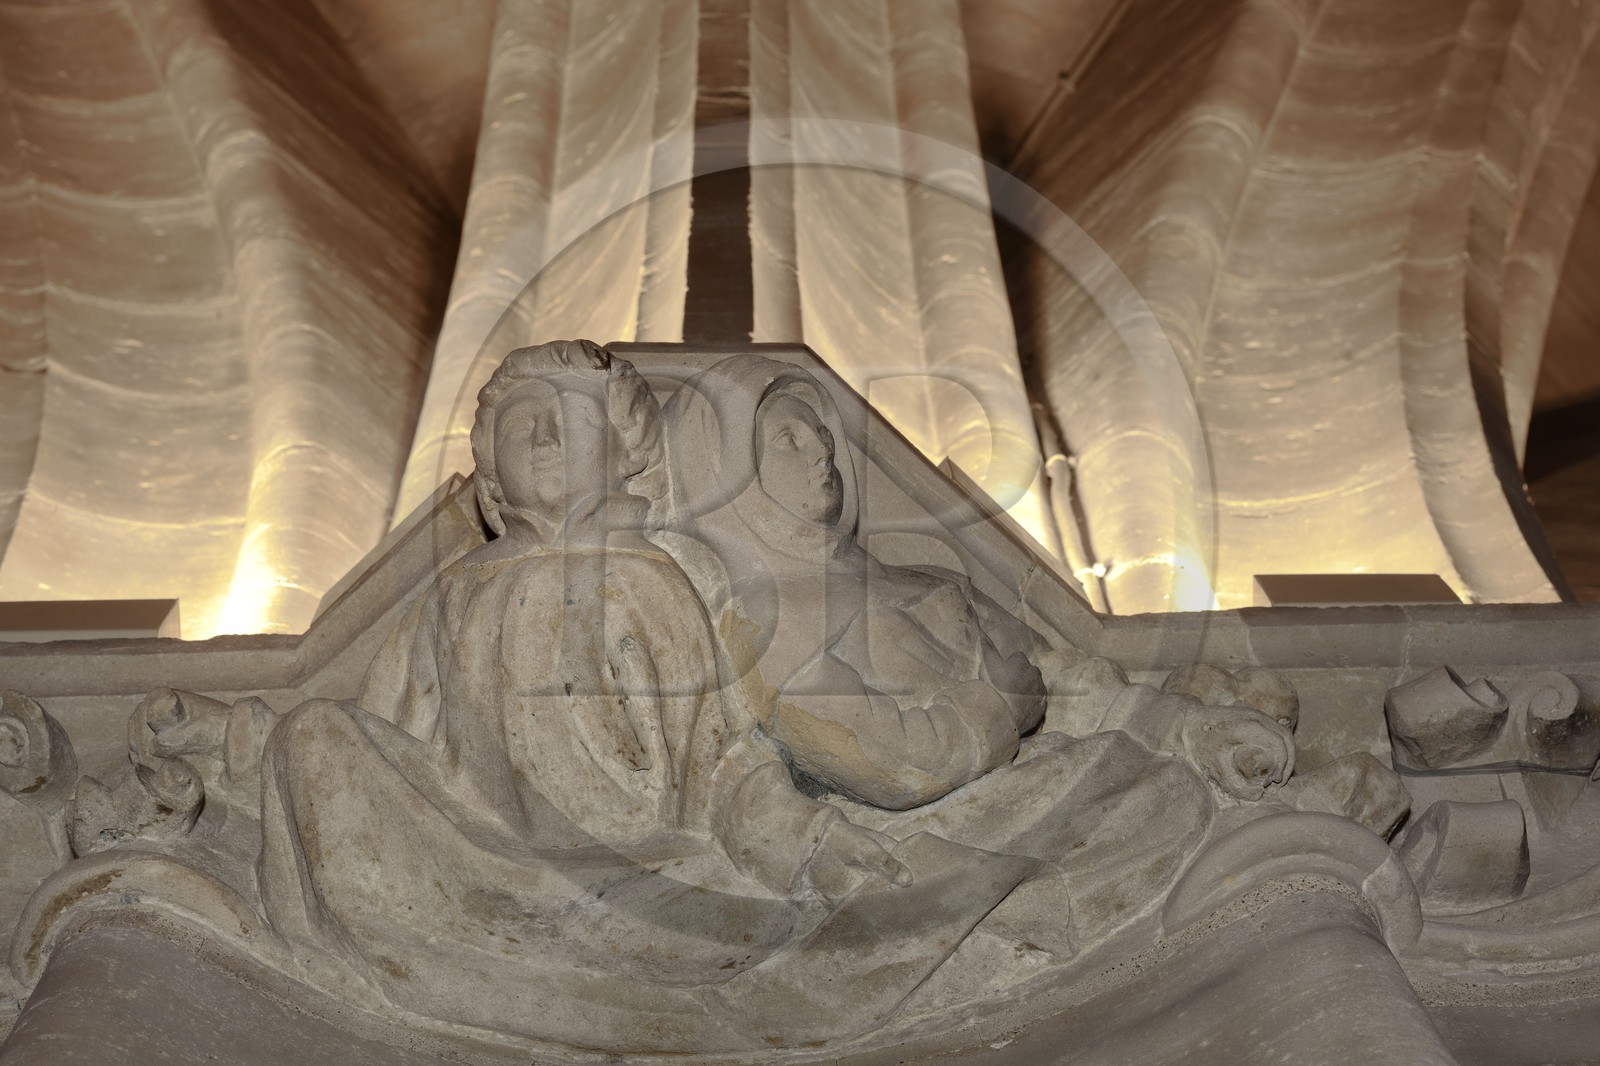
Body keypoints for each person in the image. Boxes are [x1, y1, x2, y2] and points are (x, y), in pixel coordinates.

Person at [252, 341, 1033, 1053]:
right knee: (314, 735)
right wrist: (238, 739)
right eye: (526, 425)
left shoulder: (658, 581)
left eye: (572, 422)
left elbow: (722, 760)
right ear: (490, 474)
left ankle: (532, 959)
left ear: (625, 456)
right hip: (477, 848)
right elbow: (391, 733)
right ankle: (443, 935)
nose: (549, 439)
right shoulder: (457, 592)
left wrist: (809, 842)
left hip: (634, 865)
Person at [655, 355, 1298, 954]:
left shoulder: (925, 577)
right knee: (1164, 798)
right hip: (947, 822)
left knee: (1169, 781)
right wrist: (1005, 700)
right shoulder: (767, 621)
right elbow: (898, 763)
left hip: (1026, 769)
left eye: (819, 430)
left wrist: (1179, 721)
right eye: (786, 441)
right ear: (727, 476)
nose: (821, 447)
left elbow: (1054, 671)